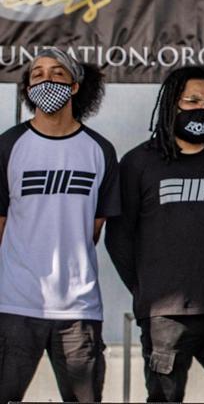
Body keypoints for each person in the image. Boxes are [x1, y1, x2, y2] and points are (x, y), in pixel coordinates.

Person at [106, 66, 204, 402]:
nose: (202, 108)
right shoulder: (137, 164)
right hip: (165, 317)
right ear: (171, 105)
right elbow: (119, 239)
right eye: (192, 100)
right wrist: (148, 288)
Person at [0, 47, 118, 403]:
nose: (46, 80)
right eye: (37, 74)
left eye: (56, 73)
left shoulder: (99, 150)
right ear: (27, 87)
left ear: (75, 86)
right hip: (16, 306)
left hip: (79, 310)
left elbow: (95, 227)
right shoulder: (9, 145)